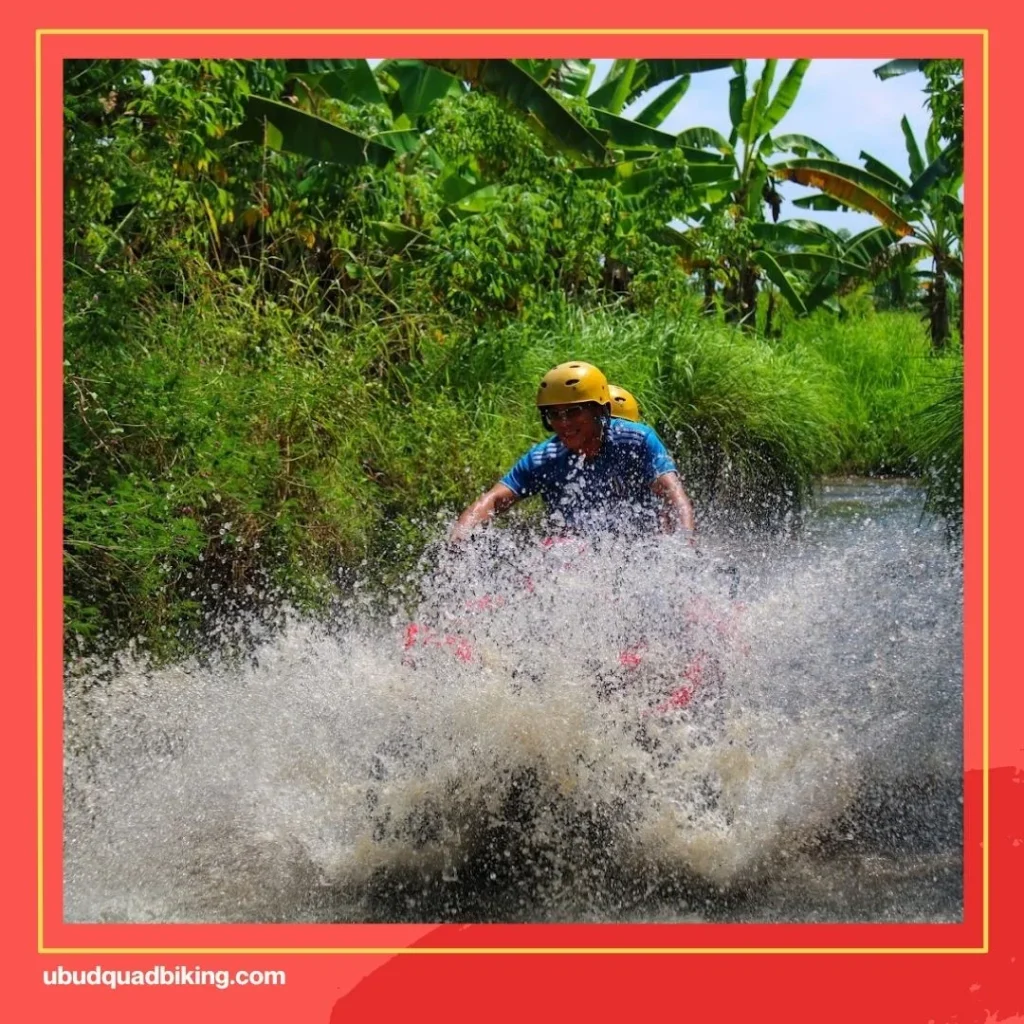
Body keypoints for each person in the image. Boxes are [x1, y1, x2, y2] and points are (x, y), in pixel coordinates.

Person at [451, 361, 695, 542]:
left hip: (644, 547)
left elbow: (675, 496)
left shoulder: (637, 440)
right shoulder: (544, 458)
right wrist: (459, 538)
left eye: (573, 412)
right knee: (558, 546)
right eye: (554, 415)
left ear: (599, 411)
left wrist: (683, 546)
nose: (564, 423)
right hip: (576, 557)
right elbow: (493, 500)